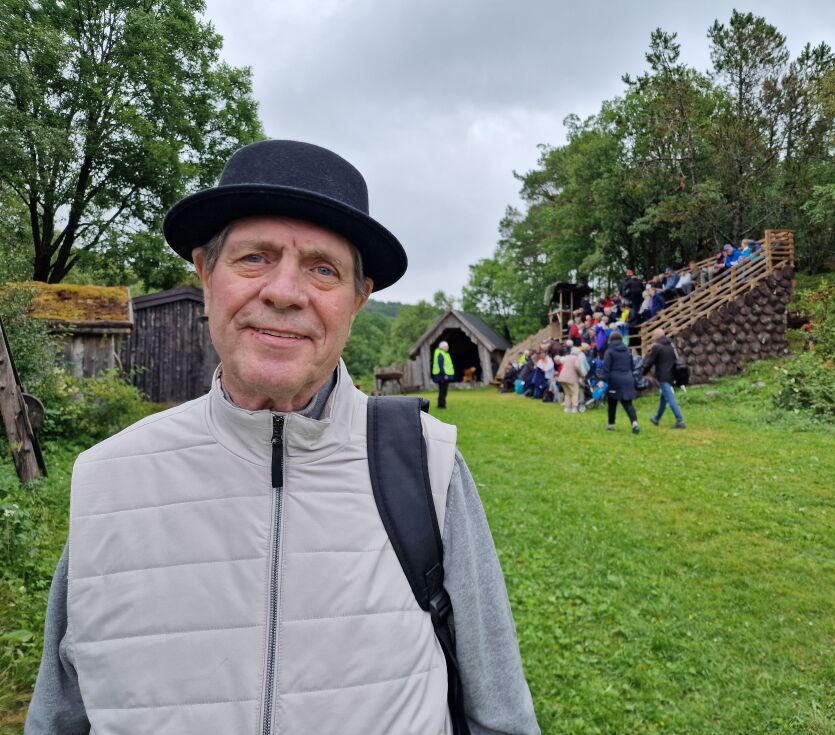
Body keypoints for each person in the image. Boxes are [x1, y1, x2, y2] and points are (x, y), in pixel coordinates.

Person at [25, 140, 539, 735]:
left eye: (323, 269)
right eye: (254, 258)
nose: (285, 292)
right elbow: (57, 719)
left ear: (358, 299)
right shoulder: (111, 481)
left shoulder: (427, 464)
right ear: (205, 272)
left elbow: (500, 717)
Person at [642, 327, 686, 429]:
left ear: (656, 336)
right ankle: (656, 418)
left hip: (662, 376)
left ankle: (680, 420)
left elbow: (650, 362)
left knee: (670, 399)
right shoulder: (670, 346)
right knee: (663, 398)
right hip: (671, 375)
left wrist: (643, 372)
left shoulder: (657, 347)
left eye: (653, 335)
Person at [598, 332, 640, 434]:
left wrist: (602, 379)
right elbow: (632, 366)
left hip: (614, 379)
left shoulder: (610, 351)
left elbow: (606, 367)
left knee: (612, 403)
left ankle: (611, 425)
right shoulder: (627, 351)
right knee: (628, 403)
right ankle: (634, 423)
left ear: (610, 340)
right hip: (628, 378)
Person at [557, 346, 586, 413]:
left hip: (562, 377)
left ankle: (567, 408)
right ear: (577, 353)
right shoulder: (576, 358)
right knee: (574, 393)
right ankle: (574, 408)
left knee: (567, 394)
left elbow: (561, 361)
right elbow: (577, 366)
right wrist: (581, 375)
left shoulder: (566, 357)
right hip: (571, 379)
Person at [433, 339, 455, 409]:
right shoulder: (440, 354)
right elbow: (441, 366)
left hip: (442, 375)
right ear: (443, 347)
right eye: (446, 346)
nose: (448, 348)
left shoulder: (444, 354)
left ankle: (441, 404)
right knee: (443, 391)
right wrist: (444, 375)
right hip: (442, 376)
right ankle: (442, 405)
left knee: (443, 391)